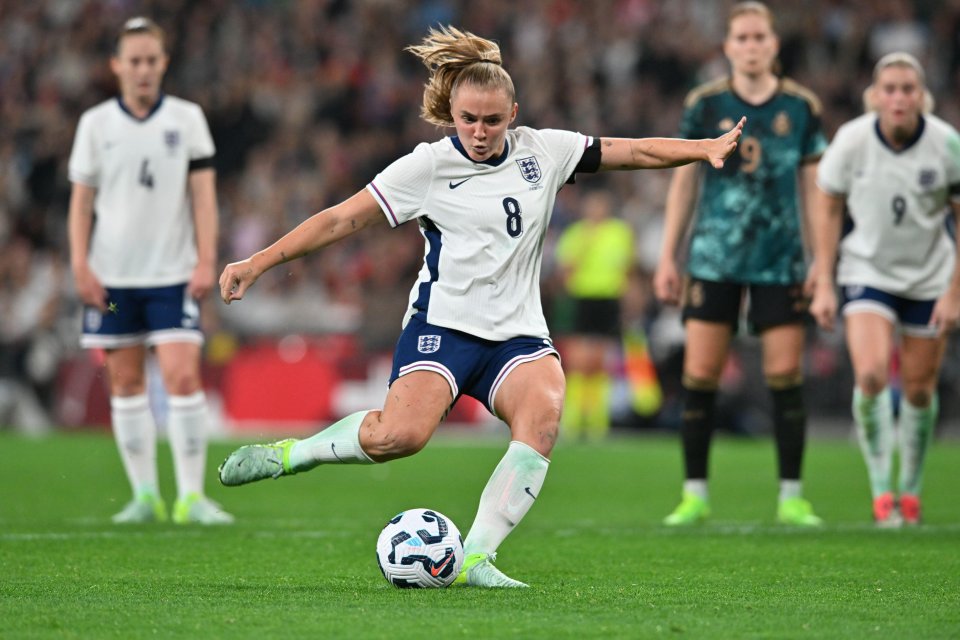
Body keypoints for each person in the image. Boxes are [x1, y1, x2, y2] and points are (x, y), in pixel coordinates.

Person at [217, 25, 743, 587]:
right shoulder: (426, 167)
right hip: (443, 327)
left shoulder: (547, 150)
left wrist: (702, 149)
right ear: (452, 114)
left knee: (542, 414)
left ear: (513, 113)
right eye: (468, 119)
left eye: (493, 120)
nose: (480, 131)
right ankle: (295, 454)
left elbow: (633, 151)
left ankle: (475, 557)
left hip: (517, 334)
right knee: (400, 437)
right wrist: (259, 262)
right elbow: (342, 218)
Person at [653, 1, 827, 527]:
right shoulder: (704, 104)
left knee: (784, 373)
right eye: (742, 38)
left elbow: (815, 188)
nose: (751, 46)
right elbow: (685, 179)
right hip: (713, 255)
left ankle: (792, 496)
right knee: (700, 372)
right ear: (727, 46)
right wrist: (668, 254)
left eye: (759, 37)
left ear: (773, 44)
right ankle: (694, 494)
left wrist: (822, 261)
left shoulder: (801, 106)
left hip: (779, 259)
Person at [67, 17, 233, 525]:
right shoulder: (95, 124)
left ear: (164, 63)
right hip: (112, 278)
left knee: (183, 377)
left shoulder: (186, 119)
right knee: (125, 383)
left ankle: (190, 497)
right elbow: (81, 203)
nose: (142, 70)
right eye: (133, 61)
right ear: (117, 66)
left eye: (150, 60)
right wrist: (80, 264)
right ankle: (144, 494)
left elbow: (204, 199)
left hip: (173, 273)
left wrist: (206, 259)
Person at [809, 52, 960, 527]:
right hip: (867, 271)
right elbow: (827, 203)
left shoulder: (946, 144)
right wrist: (825, 278)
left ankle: (910, 491)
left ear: (921, 96)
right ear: (875, 95)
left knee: (918, 390)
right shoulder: (852, 140)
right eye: (889, 89)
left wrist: (954, 289)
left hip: (928, 276)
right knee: (872, 375)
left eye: (907, 89)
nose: (898, 98)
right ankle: (880, 493)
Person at [555, 190, 634, 441]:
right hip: (582, 297)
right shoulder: (576, 234)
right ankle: (573, 419)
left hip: (608, 299)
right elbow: (566, 270)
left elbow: (626, 269)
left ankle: (598, 423)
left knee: (601, 362)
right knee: (579, 361)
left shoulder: (619, 233)